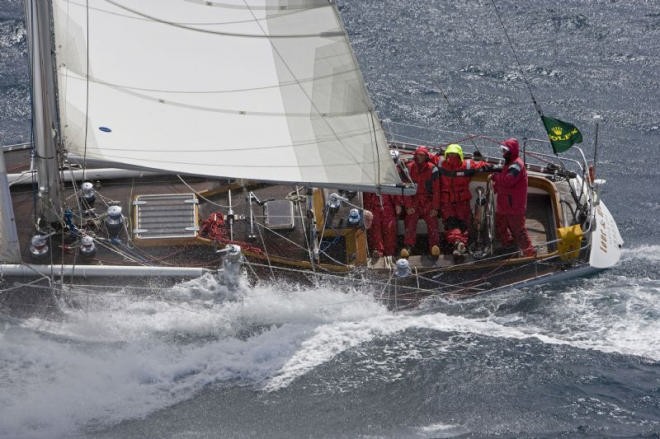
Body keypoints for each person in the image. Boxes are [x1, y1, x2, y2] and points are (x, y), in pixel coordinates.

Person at [438, 143, 490, 263]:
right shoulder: (467, 164)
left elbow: (426, 156)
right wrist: (497, 167)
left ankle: (458, 243)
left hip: (455, 202)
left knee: (456, 224)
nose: (452, 156)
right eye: (450, 154)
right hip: (452, 202)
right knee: (457, 224)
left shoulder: (441, 162)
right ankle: (460, 243)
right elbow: (481, 165)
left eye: (453, 154)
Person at [491, 138, 536, 257]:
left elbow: (507, 181)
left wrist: (495, 177)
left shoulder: (517, 165)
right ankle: (509, 247)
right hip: (504, 204)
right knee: (500, 226)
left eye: (505, 150)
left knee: (518, 231)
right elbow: (503, 180)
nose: (503, 153)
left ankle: (529, 253)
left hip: (514, 206)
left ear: (512, 151)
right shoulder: (509, 163)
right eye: (502, 150)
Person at [401, 145, 440, 258]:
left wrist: (435, 208)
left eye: (422, 155)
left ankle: (434, 246)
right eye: (418, 155)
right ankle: (408, 246)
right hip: (414, 200)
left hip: (428, 201)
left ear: (426, 156)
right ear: (415, 155)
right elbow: (406, 188)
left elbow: (436, 190)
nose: (420, 157)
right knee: (410, 221)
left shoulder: (433, 169)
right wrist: (408, 206)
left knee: (433, 222)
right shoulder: (409, 168)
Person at [363, 192, 401, 258]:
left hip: (388, 207)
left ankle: (390, 253)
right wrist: (366, 209)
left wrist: (398, 204)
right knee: (375, 230)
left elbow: (394, 188)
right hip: (374, 207)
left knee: (390, 229)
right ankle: (378, 252)